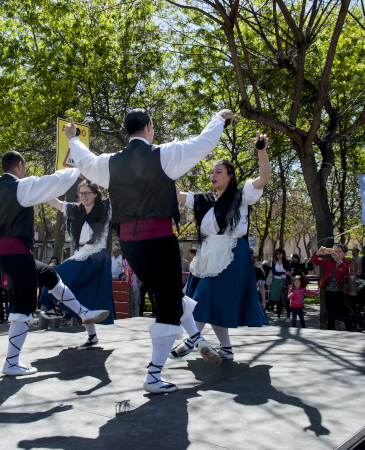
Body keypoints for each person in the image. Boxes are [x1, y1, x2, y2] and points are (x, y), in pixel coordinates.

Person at [67, 108, 232, 393]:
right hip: (158, 239)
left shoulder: (109, 163)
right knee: (167, 304)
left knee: (168, 294)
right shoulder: (164, 154)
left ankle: (196, 338)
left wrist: (73, 138)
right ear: (149, 127)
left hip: (131, 246)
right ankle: (154, 375)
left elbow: (85, 160)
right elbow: (204, 143)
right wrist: (219, 118)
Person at [0, 150, 109, 376]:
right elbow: (56, 181)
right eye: (25, 166)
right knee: (23, 308)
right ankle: (11, 362)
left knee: (48, 274)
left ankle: (83, 311)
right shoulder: (22, 187)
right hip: (18, 255)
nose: (26, 170)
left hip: (1, 255)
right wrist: (80, 169)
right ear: (19, 165)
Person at [171, 131, 270, 363]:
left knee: (204, 298)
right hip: (207, 253)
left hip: (232, 253)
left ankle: (190, 340)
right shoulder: (204, 199)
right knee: (206, 300)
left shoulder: (242, 195)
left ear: (230, 176)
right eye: (212, 172)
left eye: (219, 171)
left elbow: (263, 178)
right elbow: (175, 194)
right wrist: (170, 163)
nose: (213, 175)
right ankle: (225, 348)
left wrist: (261, 150)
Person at [40, 180, 116, 348]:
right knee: (80, 297)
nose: (83, 196)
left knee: (53, 275)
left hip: (96, 257)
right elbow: (56, 203)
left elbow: (120, 193)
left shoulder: (106, 208)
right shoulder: (75, 210)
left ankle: (55, 307)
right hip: (83, 255)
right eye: (81, 193)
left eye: (87, 193)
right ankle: (92, 336)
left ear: (95, 194)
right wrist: (43, 186)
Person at [311, 244, 354, 331]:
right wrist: (318, 253)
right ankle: (330, 333)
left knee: (346, 316)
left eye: (339, 252)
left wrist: (339, 262)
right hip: (329, 292)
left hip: (342, 294)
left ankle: (350, 334)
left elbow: (349, 272)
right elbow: (314, 260)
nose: (337, 253)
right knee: (330, 317)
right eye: (336, 251)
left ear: (344, 253)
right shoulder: (329, 262)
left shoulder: (348, 263)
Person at [270, 249, 293, 321]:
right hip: (276, 281)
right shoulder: (274, 262)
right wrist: (283, 273)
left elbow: (288, 273)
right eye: (277, 253)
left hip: (285, 281)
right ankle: (278, 316)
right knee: (278, 299)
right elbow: (274, 272)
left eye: (280, 253)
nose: (278, 255)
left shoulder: (286, 262)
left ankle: (288, 317)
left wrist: (289, 283)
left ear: (283, 254)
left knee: (286, 299)